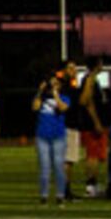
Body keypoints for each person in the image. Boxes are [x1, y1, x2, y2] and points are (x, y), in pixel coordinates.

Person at [30, 63, 78, 204]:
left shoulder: (64, 97)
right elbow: (35, 107)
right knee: (45, 167)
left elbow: (63, 108)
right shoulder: (42, 98)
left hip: (58, 136)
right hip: (42, 136)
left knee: (58, 166)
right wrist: (40, 92)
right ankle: (44, 195)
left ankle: (60, 195)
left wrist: (56, 95)